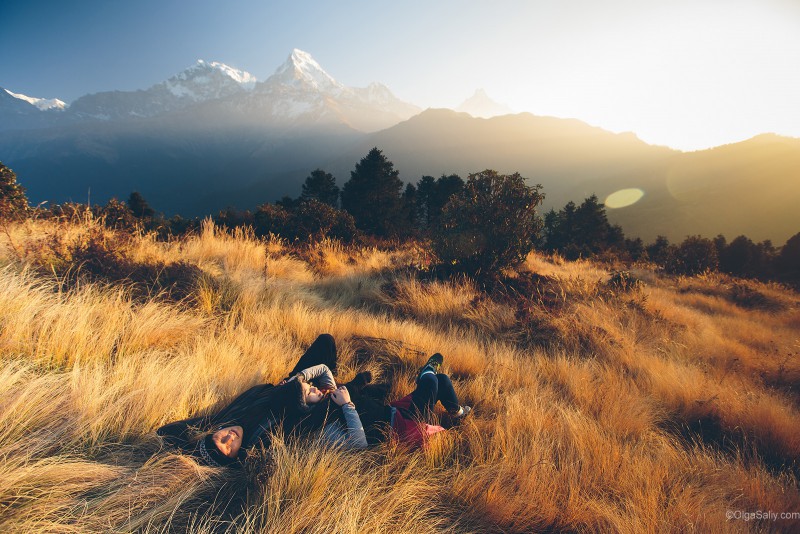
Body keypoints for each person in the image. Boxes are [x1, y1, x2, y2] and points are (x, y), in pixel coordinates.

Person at [157, 334, 362, 467]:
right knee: (368, 395)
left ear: (213, 432)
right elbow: (356, 443)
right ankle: (345, 384)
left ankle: (333, 378)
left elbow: (165, 432)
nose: (230, 438)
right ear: (235, 456)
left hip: (292, 384)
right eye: (229, 449)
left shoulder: (224, 418)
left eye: (221, 439)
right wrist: (340, 402)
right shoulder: (260, 445)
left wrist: (295, 380)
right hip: (313, 399)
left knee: (326, 341)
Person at [298, 352, 471, 450]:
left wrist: (298, 378)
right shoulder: (325, 424)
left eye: (309, 385)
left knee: (441, 380)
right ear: (304, 405)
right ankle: (426, 371)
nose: (313, 387)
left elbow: (324, 370)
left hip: (395, 410)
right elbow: (359, 445)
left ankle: (457, 414)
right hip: (399, 427)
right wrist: (346, 405)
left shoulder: (328, 394)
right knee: (431, 382)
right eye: (308, 391)